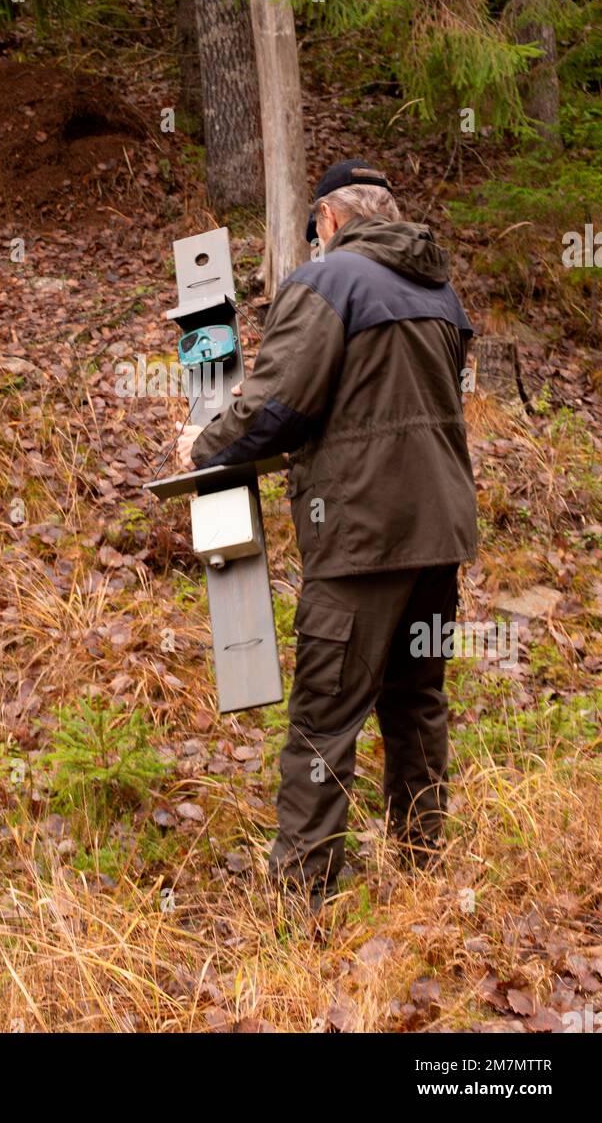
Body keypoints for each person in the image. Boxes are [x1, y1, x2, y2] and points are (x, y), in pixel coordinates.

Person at [176, 159, 477, 902]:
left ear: (331, 220)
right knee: (416, 704)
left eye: (316, 230)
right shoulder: (442, 292)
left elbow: (279, 405)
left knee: (324, 719)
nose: (316, 241)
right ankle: (423, 872)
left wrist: (204, 444)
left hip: (362, 536)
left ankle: (300, 902)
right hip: (438, 533)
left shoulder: (330, 281)